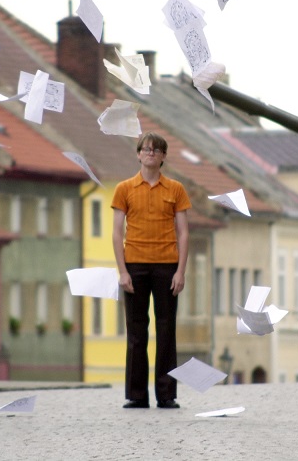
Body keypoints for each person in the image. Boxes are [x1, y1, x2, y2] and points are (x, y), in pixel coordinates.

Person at [112, 132, 191, 410]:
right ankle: (136, 394)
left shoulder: (176, 189)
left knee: (166, 330)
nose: (150, 153)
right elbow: (116, 231)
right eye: (145, 149)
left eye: (156, 150)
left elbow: (183, 233)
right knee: (136, 331)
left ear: (163, 157)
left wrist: (180, 271)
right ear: (138, 154)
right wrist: (122, 271)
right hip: (135, 265)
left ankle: (167, 394)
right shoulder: (124, 188)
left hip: (166, 266)